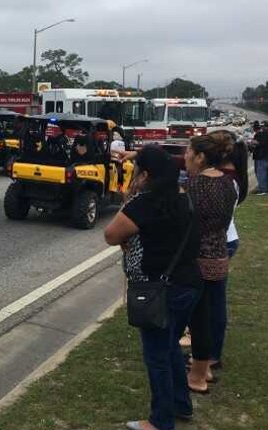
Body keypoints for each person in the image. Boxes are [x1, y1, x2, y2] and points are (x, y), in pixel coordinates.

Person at [104, 145, 200, 430]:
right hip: (189, 283)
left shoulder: (145, 202)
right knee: (170, 346)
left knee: (157, 355)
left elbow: (111, 235)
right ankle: (181, 404)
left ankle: (160, 421)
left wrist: (127, 197)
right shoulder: (183, 196)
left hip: (159, 288)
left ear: (145, 174)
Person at [184, 134, 238, 395]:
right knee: (215, 310)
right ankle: (208, 363)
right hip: (219, 253)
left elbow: (189, 223)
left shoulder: (195, 185)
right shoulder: (229, 184)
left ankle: (199, 371)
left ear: (200, 157)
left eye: (188, 152)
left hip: (198, 257)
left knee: (198, 318)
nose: (185, 156)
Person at [252, 121, 268, 195]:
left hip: (263, 155)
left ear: (263, 126)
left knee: (261, 173)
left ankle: (262, 189)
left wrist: (254, 142)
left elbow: (262, 143)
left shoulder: (263, 133)